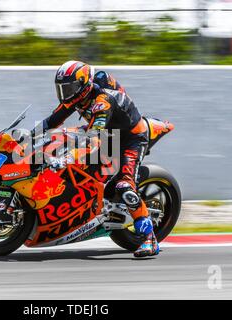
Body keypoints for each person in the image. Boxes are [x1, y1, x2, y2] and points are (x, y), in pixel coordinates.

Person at [39, 60, 159, 257]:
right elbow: (51, 122)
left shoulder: (102, 101)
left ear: (83, 85)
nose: (65, 93)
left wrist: (67, 158)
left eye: (69, 88)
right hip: (107, 134)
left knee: (125, 187)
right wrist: (25, 137)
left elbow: (94, 140)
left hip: (130, 139)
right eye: (62, 88)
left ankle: (149, 239)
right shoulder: (77, 97)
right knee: (58, 137)